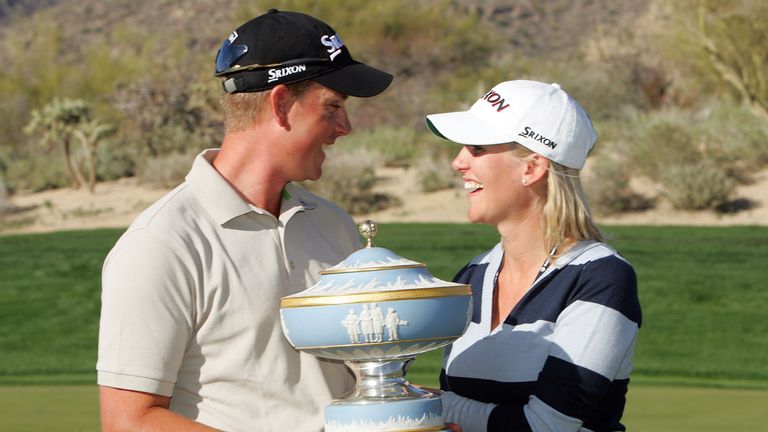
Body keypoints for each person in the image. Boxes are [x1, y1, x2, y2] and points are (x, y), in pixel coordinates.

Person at [96, 9, 392, 432]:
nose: (344, 127)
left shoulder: (332, 224)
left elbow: (362, 382)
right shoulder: (161, 243)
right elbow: (128, 421)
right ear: (282, 103)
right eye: (332, 107)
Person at [424, 80, 642, 431]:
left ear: (532, 168)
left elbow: (546, 427)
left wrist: (429, 404)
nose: (457, 162)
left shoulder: (599, 277)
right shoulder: (473, 274)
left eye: (477, 148)